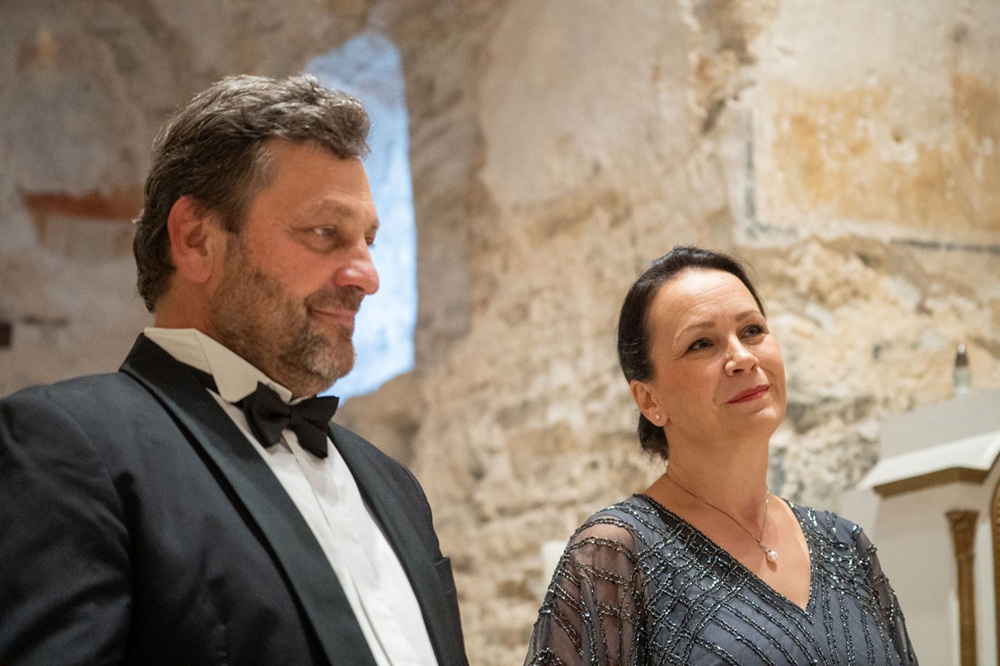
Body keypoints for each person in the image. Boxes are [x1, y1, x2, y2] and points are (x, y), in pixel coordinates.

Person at [0, 74, 468, 666]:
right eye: (326, 233)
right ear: (197, 239)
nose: (367, 277)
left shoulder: (394, 485)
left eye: (368, 241)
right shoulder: (68, 447)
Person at [524, 246, 918, 665]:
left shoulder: (846, 545)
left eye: (753, 330)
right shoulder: (614, 556)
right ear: (649, 400)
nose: (742, 357)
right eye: (701, 344)